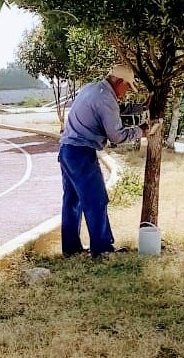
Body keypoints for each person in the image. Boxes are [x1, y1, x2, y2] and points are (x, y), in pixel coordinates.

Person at [58, 63, 156, 257]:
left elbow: (115, 111)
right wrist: (142, 131)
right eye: (127, 87)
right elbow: (117, 136)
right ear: (119, 82)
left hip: (67, 150)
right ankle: (102, 249)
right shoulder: (106, 99)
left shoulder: (92, 89)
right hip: (82, 153)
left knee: (72, 201)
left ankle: (70, 249)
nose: (126, 92)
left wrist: (139, 108)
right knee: (96, 200)